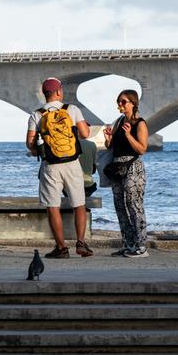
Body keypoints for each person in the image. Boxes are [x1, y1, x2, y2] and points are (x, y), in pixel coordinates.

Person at [26, 77, 93, 259]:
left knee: (53, 206)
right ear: (59, 92)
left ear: (44, 94)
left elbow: (30, 143)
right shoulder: (72, 110)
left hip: (50, 166)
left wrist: (37, 149)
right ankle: (81, 243)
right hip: (72, 163)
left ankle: (61, 248)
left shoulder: (37, 115)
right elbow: (85, 134)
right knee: (79, 204)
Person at [103, 89, 149, 258]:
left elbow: (142, 149)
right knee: (120, 205)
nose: (120, 105)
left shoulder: (140, 123)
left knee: (134, 204)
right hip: (117, 167)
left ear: (133, 103)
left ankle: (141, 245)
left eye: (123, 102)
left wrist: (129, 135)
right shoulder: (119, 121)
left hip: (132, 167)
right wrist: (109, 139)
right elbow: (111, 147)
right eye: (119, 102)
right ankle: (129, 244)